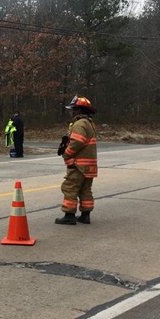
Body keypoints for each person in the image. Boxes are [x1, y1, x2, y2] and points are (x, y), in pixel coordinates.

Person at [55, 96, 97, 225]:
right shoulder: (90, 123)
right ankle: (85, 215)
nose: (72, 112)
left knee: (70, 188)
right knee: (85, 190)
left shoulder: (80, 124)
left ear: (79, 110)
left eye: (74, 109)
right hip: (89, 165)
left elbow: (77, 142)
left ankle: (69, 215)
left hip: (78, 165)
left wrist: (67, 154)